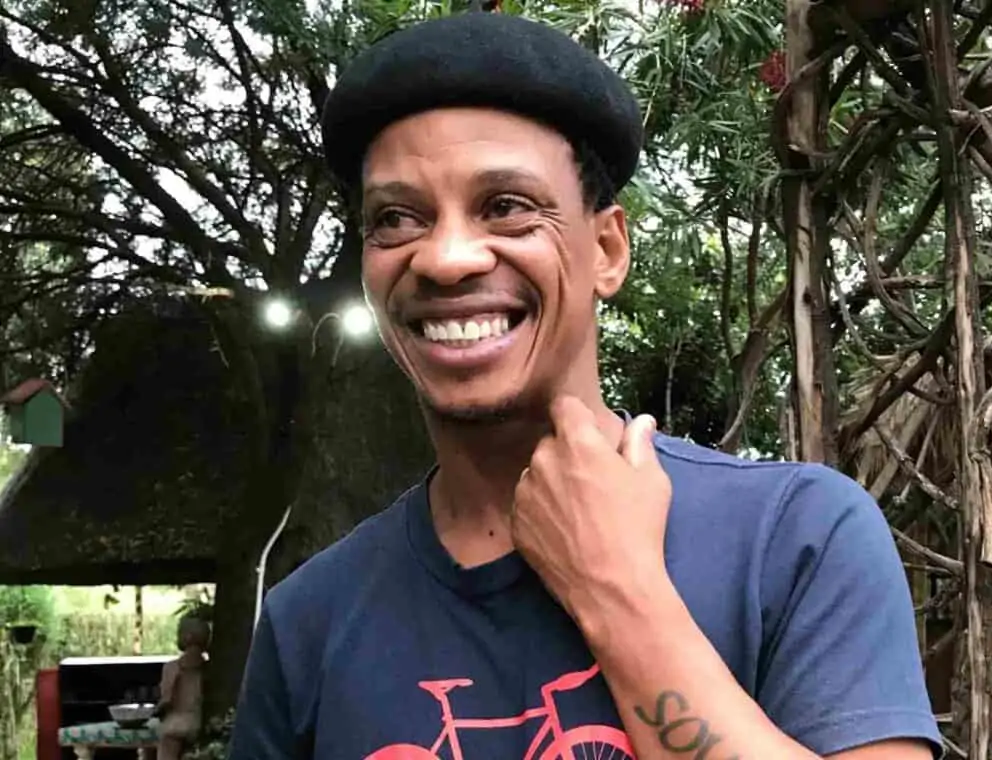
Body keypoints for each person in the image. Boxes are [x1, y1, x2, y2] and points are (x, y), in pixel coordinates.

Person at [228, 11, 942, 760]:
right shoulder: (308, 621)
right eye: (397, 219)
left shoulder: (796, 539)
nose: (445, 258)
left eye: (506, 207)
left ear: (606, 249)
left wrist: (615, 589)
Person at [155, 614, 209, 760]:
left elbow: (167, 699)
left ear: (187, 637)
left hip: (176, 724)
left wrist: (156, 710)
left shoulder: (172, 667)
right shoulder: (207, 668)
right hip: (199, 721)